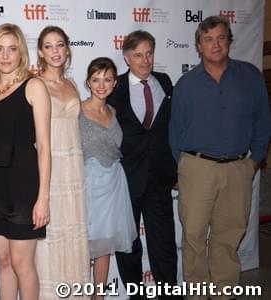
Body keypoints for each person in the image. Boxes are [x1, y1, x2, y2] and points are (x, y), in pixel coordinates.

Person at [169, 16, 270, 300]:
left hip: (239, 168)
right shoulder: (186, 84)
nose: (215, 44)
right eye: (208, 39)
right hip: (196, 168)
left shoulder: (249, 75)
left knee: (228, 237)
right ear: (198, 46)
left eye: (221, 37)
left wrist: (254, 161)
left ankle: (223, 294)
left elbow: (263, 121)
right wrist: (184, 167)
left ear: (229, 41)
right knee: (193, 238)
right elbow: (175, 131)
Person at [107, 30, 180, 299]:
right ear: (126, 58)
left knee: (164, 244)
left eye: (149, 53)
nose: (145, 59)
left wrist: (176, 168)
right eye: (138, 54)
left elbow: (172, 128)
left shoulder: (165, 82)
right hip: (126, 180)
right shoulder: (115, 89)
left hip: (160, 178)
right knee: (128, 246)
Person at [0, 23, 51, 300]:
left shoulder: (34, 86)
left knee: (23, 263)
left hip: (24, 189)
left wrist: (43, 197)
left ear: (21, 52)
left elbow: (45, 147)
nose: (6, 55)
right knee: (2, 260)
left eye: (12, 48)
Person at [34, 25, 90, 299]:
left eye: (60, 45)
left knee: (73, 233)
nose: (55, 51)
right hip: (50, 169)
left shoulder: (72, 84)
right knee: (51, 236)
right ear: (40, 52)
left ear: (67, 49)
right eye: (48, 46)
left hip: (75, 169)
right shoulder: (35, 85)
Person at [80, 57, 137, 300]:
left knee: (103, 248)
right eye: (96, 79)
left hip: (113, 183)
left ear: (115, 83)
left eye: (107, 79)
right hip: (87, 186)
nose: (101, 85)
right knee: (83, 248)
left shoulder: (113, 111)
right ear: (88, 82)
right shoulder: (77, 110)